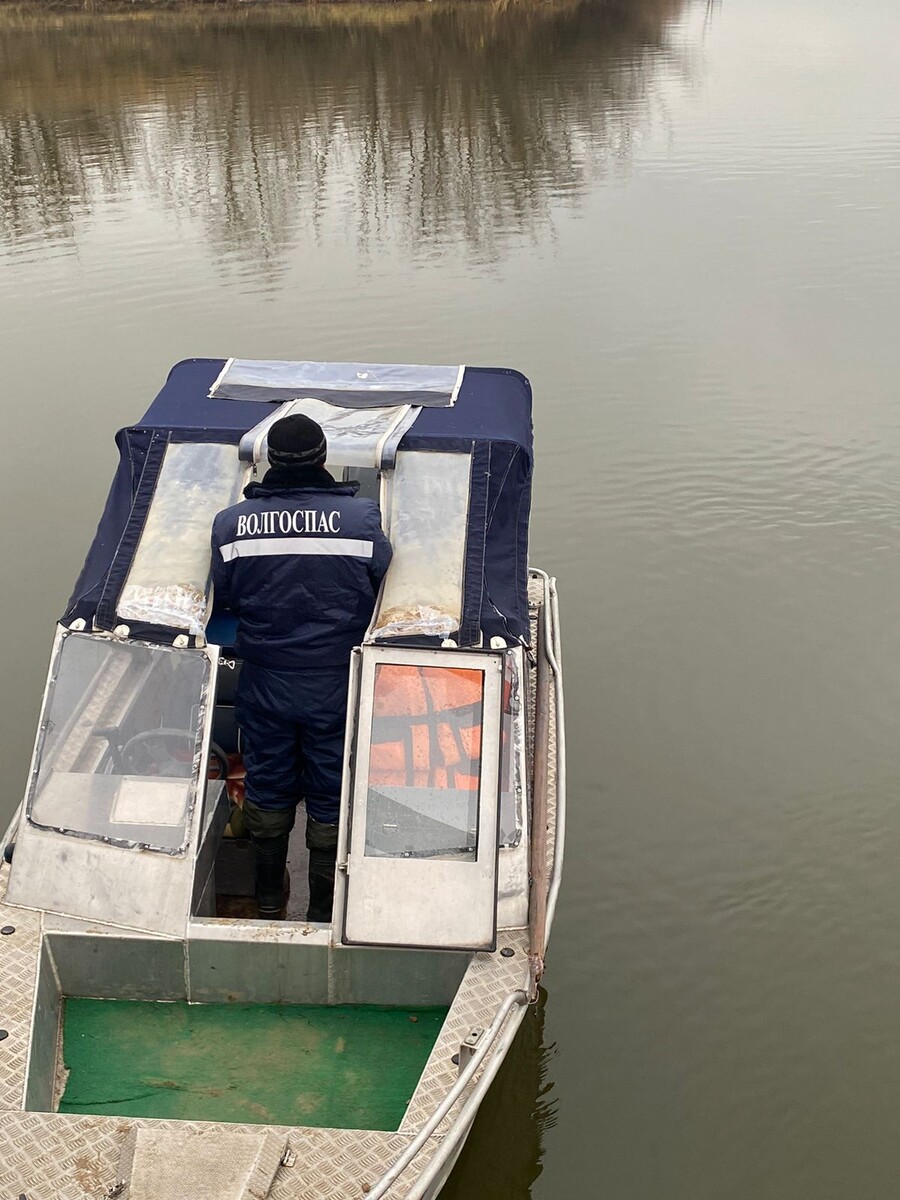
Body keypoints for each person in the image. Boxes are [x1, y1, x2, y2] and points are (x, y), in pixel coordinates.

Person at [211, 414, 392, 921]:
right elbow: (382, 590)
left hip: (264, 680)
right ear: (322, 460)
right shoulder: (362, 520)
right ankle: (321, 911)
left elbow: (224, 596)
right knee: (332, 788)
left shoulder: (231, 525)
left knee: (267, 781)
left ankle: (267, 901)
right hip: (336, 683)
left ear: (269, 460)